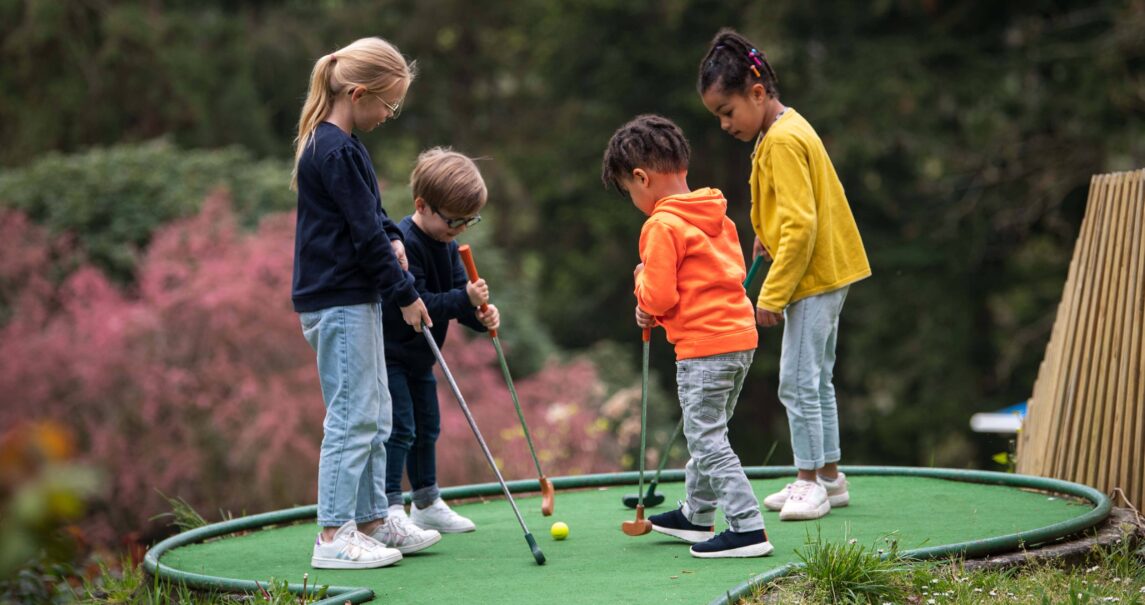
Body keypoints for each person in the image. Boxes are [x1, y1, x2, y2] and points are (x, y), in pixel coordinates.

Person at [697, 28, 871, 521]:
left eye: (727, 112)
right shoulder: (788, 127)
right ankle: (831, 478)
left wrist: (772, 294)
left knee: (796, 382)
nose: (725, 125)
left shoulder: (781, 143)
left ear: (757, 93)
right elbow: (794, 210)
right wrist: (765, 234)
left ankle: (808, 481)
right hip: (831, 270)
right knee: (817, 380)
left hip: (812, 278)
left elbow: (802, 225)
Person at [291, 37, 440, 570]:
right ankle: (333, 535)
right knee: (352, 416)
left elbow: (370, 215)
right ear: (358, 93)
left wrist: (392, 235)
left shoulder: (346, 146)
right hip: (338, 299)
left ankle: (373, 519)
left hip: (357, 296)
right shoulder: (330, 148)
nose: (388, 115)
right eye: (387, 104)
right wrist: (406, 296)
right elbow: (362, 236)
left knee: (376, 413)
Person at [602, 114, 773, 558]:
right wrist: (656, 309)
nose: (634, 200)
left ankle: (748, 528)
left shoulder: (661, 225)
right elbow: (707, 283)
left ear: (641, 178)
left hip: (703, 348)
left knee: (706, 438)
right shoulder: (717, 216)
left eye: (629, 191)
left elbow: (658, 296)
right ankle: (697, 516)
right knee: (709, 431)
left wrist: (641, 286)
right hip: (739, 339)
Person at [382, 148, 499, 534]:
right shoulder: (404, 244)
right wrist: (465, 297)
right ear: (422, 205)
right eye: (454, 220)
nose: (461, 229)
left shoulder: (447, 244)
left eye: (469, 221)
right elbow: (423, 304)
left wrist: (480, 316)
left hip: (420, 358)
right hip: (390, 354)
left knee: (428, 426)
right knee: (400, 428)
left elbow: (454, 300)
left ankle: (427, 502)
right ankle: (388, 506)